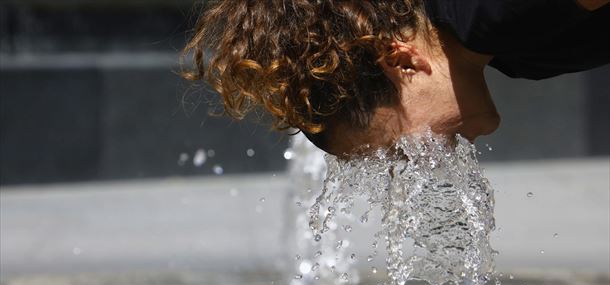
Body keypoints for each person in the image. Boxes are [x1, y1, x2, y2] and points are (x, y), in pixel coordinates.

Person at [182, 0, 609, 156]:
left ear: (400, 63)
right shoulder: (523, 57)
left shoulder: (489, 15)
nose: (429, 163)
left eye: (400, 151)